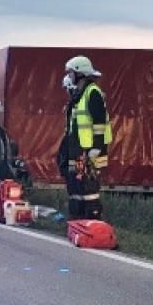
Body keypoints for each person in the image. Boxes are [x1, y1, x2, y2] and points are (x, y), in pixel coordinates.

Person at [61, 55, 112, 220]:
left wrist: (96, 147)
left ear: (79, 73)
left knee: (89, 188)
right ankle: (77, 219)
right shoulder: (80, 94)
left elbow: (99, 123)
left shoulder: (92, 93)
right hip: (78, 149)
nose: (69, 77)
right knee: (76, 186)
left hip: (89, 150)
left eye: (71, 73)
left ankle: (91, 220)